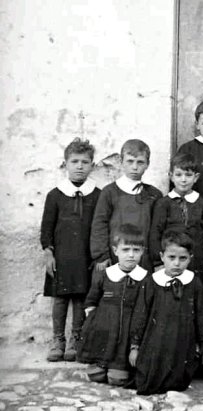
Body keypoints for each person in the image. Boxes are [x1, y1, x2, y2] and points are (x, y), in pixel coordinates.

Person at [129, 230, 203, 394]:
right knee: (149, 380)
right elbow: (141, 314)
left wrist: (202, 344)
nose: (176, 264)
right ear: (162, 256)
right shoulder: (152, 282)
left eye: (183, 259)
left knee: (178, 379)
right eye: (171, 258)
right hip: (156, 340)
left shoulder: (193, 282)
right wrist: (135, 346)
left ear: (190, 258)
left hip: (183, 341)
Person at [40, 138, 101, 362]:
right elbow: (46, 228)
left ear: (92, 165)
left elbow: (99, 226)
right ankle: (58, 340)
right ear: (65, 164)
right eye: (74, 161)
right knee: (59, 299)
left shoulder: (97, 194)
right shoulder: (55, 195)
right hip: (61, 257)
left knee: (80, 298)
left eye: (85, 162)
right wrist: (49, 253)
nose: (79, 166)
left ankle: (77, 338)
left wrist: (97, 256)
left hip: (85, 256)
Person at [77, 224, 148, 386]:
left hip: (128, 334)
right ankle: (99, 361)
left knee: (117, 379)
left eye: (136, 250)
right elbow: (91, 300)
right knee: (96, 376)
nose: (131, 255)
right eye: (126, 250)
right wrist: (95, 321)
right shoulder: (105, 275)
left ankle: (119, 366)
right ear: (115, 251)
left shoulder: (145, 278)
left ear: (142, 252)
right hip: (104, 331)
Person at [90, 139, 162, 271]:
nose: (134, 167)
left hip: (144, 258)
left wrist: (157, 261)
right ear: (121, 162)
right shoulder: (109, 192)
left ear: (147, 164)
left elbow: (158, 229)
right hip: (115, 257)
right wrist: (101, 255)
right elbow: (100, 224)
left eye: (140, 162)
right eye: (130, 161)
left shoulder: (154, 194)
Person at [149, 153, 203, 275]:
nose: (183, 179)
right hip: (171, 264)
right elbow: (155, 234)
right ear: (171, 176)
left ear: (196, 177)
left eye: (188, 175)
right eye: (178, 175)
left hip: (197, 263)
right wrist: (158, 263)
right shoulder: (163, 204)